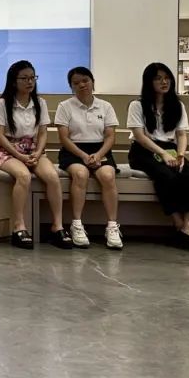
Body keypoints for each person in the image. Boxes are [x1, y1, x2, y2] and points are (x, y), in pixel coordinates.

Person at [127, 62, 189, 249]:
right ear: (149, 82)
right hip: (143, 150)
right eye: (158, 78)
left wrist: (181, 155)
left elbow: (181, 135)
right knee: (166, 176)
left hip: (171, 149)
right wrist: (162, 154)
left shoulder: (178, 105)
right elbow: (139, 136)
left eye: (167, 78)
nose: (164, 82)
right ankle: (178, 223)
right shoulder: (137, 105)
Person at [0, 60, 65, 249]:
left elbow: (43, 133)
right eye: (24, 78)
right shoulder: (2, 103)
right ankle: (19, 226)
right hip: (7, 148)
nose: (30, 82)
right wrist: (20, 156)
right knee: (23, 176)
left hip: (33, 149)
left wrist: (37, 153)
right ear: (14, 81)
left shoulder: (40, 103)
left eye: (32, 77)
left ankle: (57, 226)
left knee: (52, 177)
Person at [54, 66, 121, 249]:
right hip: (74, 151)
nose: (82, 85)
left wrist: (98, 155)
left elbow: (110, 137)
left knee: (108, 176)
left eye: (85, 80)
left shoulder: (106, 106)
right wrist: (83, 156)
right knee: (80, 174)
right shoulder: (64, 106)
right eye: (76, 83)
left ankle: (112, 226)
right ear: (71, 86)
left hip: (100, 150)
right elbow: (64, 138)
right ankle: (76, 224)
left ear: (92, 82)